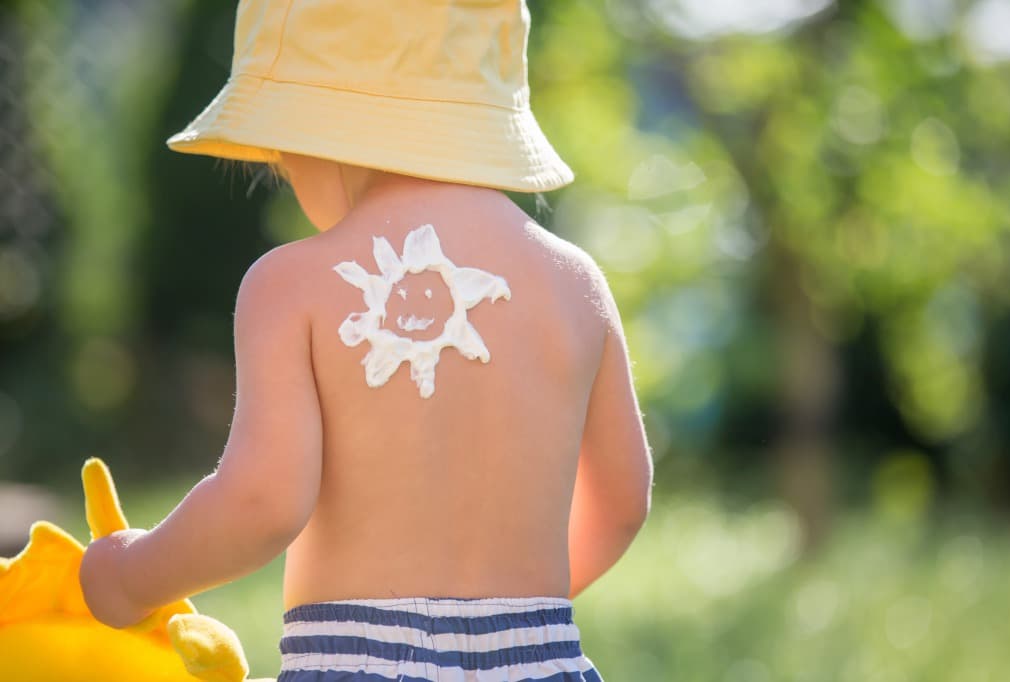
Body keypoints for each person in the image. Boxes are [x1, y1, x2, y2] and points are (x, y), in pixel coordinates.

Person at [79, 1, 653, 680]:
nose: (286, 175)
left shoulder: (289, 284)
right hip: (538, 658)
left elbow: (262, 501)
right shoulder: (573, 283)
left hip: (361, 661)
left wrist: (129, 575)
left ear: (320, 131)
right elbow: (621, 501)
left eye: (280, 159)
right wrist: (509, 625)